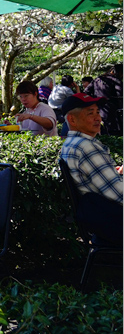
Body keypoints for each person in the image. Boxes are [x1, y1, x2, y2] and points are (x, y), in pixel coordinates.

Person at [60, 92, 122, 244]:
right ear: (72, 119)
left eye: (98, 112)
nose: (98, 118)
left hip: (105, 222)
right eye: (90, 113)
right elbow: (119, 194)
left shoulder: (70, 144)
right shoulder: (86, 147)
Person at [91, 63, 123, 137]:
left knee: (102, 132)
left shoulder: (97, 79)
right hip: (112, 112)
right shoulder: (116, 80)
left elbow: (87, 91)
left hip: (98, 110)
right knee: (114, 134)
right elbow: (120, 94)